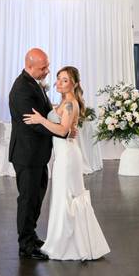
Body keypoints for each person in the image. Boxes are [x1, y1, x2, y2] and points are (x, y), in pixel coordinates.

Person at [23, 66, 110, 261]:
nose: (59, 83)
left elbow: (62, 131)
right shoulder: (64, 103)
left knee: (67, 196)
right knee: (63, 196)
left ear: (75, 84)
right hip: (63, 156)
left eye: (65, 80)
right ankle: (63, 240)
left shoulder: (71, 104)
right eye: (58, 79)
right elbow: (64, 124)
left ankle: (69, 245)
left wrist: (39, 119)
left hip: (68, 157)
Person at [8, 48, 69, 260]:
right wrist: (61, 131)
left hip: (37, 155)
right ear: (30, 66)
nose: (47, 71)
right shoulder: (21, 89)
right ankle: (25, 244)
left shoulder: (33, 83)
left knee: (36, 198)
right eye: (43, 68)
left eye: (47, 66)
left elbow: (42, 113)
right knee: (27, 199)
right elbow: (33, 123)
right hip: (27, 155)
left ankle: (31, 236)